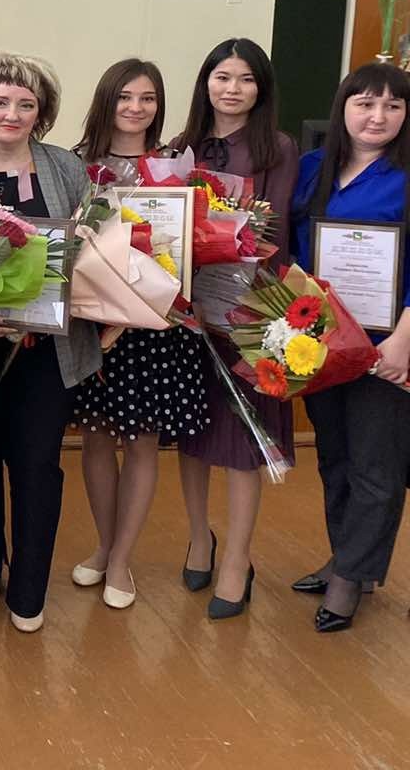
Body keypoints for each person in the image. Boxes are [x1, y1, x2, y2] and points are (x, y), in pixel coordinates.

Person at [0, 53, 102, 633]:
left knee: (37, 465)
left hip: (47, 352)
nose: (11, 113)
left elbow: (92, 251)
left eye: (25, 104)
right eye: (1, 101)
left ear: (42, 113)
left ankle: (30, 586)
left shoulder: (67, 168)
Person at [68, 60, 209, 611]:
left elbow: (191, 242)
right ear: (107, 99)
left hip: (156, 323)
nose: (135, 107)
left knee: (143, 441)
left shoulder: (177, 164)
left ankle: (123, 558)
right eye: (125, 96)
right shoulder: (77, 163)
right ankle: (104, 547)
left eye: (147, 98)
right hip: (97, 320)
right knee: (96, 438)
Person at [174, 38, 299, 620]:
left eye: (246, 79)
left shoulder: (278, 148)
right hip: (189, 313)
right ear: (206, 82)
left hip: (251, 313)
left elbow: (275, 234)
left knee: (246, 443)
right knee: (194, 437)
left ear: (261, 88)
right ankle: (200, 537)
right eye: (222, 76)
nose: (232, 89)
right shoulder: (182, 145)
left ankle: (237, 559)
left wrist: (247, 308)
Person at [288, 62, 410, 631]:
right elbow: (291, 252)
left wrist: (404, 339)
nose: (377, 116)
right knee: (334, 456)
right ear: (343, 108)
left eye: (392, 106)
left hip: (388, 346)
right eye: (365, 103)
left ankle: (350, 578)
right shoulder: (313, 168)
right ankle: (347, 559)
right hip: (322, 343)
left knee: (377, 463)